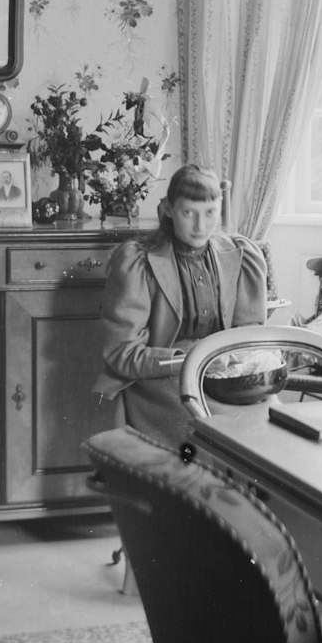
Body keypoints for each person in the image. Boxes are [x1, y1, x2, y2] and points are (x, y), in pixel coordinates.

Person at [90, 164, 268, 447]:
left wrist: (229, 356)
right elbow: (122, 353)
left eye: (210, 213)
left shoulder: (240, 255)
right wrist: (189, 358)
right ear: (170, 209)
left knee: (271, 431)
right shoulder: (139, 262)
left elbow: (249, 336)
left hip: (222, 380)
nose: (200, 226)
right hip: (159, 384)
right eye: (188, 213)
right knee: (207, 443)